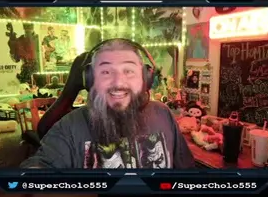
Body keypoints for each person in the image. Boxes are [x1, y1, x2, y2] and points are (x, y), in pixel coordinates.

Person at [21, 39, 195, 169]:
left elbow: (186, 172)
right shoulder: (69, 127)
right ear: (90, 79)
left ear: (145, 78)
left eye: (129, 71)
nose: (118, 82)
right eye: (106, 72)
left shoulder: (163, 114)